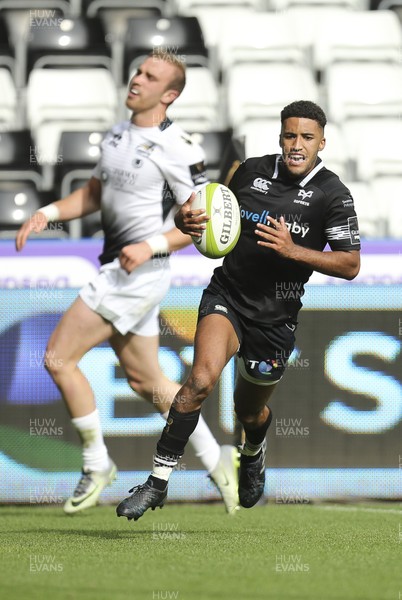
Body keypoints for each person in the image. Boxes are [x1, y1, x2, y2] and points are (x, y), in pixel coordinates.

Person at [15, 50, 239, 515]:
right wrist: (47, 213)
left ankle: (97, 463)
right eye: (138, 71)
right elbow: (96, 193)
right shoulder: (118, 132)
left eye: (150, 76)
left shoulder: (180, 147)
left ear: (170, 94)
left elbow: (196, 225)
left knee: (58, 357)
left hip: (133, 274)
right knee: (148, 381)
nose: (137, 79)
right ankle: (221, 465)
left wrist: (150, 246)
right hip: (123, 270)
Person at [116, 100, 361, 521]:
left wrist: (293, 250)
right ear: (280, 137)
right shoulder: (250, 170)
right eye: (289, 135)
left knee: (250, 411)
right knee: (200, 380)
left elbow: (350, 264)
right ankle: (157, 482)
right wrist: (186, 220)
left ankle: (252, 451)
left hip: (276, 319)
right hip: (227, 295)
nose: (296, 145)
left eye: (306, 137)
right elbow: (205, 210)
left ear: (323, 142)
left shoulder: (333, 196)